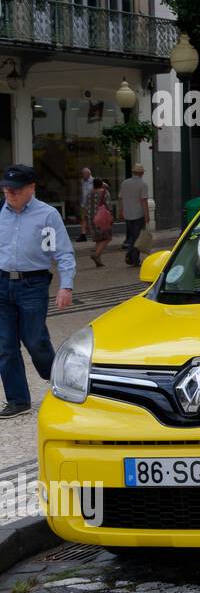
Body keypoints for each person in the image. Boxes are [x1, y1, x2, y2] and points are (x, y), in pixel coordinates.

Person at [0, 164, 75, 419]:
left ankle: (60, 383)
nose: (10, 193)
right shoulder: (0, 212)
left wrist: (66, 285)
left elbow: (62, 252)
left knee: (35, 341)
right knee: (5, 345)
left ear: (31, 188)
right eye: (7, 189)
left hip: (33, 284)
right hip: (1, 284)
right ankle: (18, 400)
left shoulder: (47, 215)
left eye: (16, 190)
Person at [118, 163, 150, 267]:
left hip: (128, 213)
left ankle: (133, 258)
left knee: (132, 236)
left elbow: (121, 198)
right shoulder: (143, 185)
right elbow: (143, 201)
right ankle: (132, 256)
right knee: (137, 237)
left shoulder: (124, 183)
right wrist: (147, 215)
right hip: (138, 214)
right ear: (141, 173)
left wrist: (121, 211)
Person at [88, 178, 113, 267]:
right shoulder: (104, 192)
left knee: (99, 238)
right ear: (101, 184)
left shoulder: (90, 193)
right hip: (102, 218)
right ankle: (96, 254)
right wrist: (111, 216)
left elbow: (86, 205)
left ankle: (98, 260)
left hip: (91, 218)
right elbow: (108, 205)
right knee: (107, 237)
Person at [76, 167, 93, 242]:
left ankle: (96, 234)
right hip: (84, 204)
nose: (83, 175)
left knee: (92, 219)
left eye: (84, 174)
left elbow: (104, 186)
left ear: (88, 174)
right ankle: (83, 235)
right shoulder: (82, 181)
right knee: (83, 219)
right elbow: (81, 192)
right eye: (82, 174)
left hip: (92, 203)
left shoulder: (94, 181)